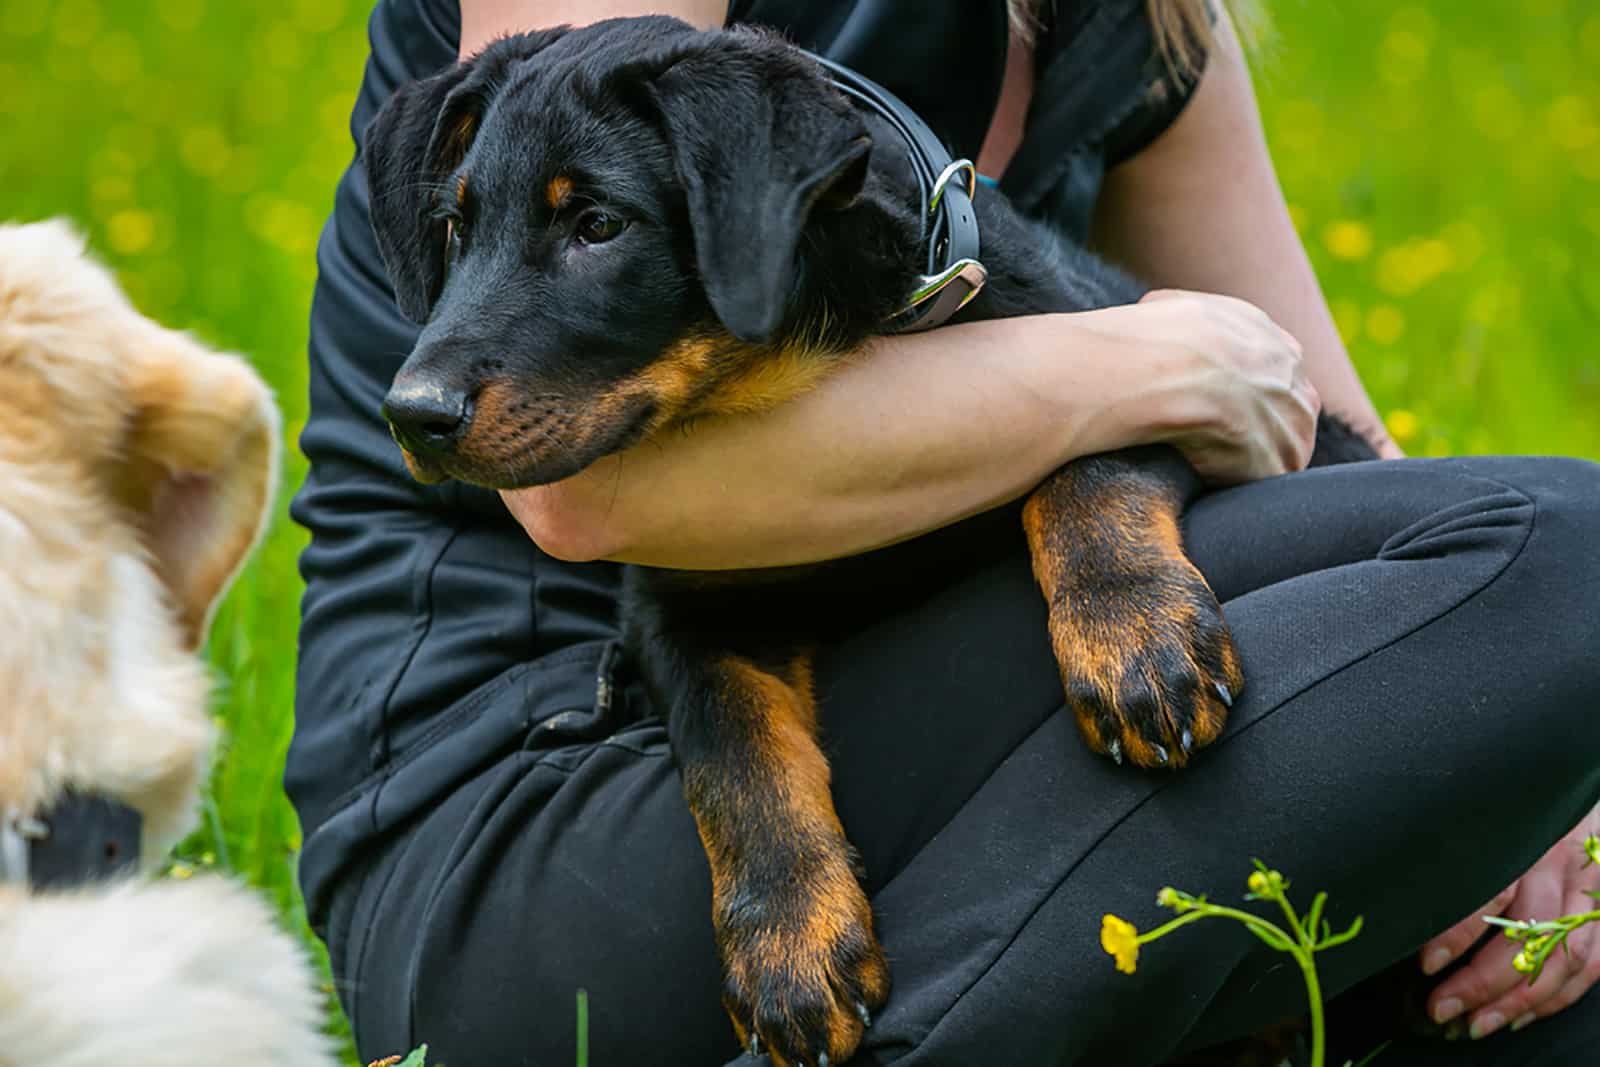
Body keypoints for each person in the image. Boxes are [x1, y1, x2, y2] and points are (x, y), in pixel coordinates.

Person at [286, 0, 1600, 1063]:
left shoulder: (1140, 21)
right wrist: (1137, 367)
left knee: (1537, 995)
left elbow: (1328, 449)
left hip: (942, 757)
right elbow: (584, 502)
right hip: (556, 817)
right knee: (1576, 547)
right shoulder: (615, 100)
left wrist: (1537, 784)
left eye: (592, 229)